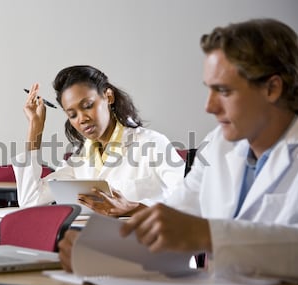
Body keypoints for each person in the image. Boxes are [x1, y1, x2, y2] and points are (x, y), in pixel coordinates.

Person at [59, 19, 298, 282]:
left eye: (223, 91)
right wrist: (98, 251)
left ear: (272, 88)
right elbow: (174, 219)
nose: (209, 106)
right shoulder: (220, 144)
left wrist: (208, 235)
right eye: (209, 89)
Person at [12, 65, 184, 215]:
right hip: (105, 246)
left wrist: (135, 208)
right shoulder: (80, 160)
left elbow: (190, 200)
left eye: (87, 106)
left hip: (152, 247)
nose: (82, 119)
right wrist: (35, 127)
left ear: (108, 97)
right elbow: (31, 200)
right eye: (72, 115)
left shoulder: (151, 143)